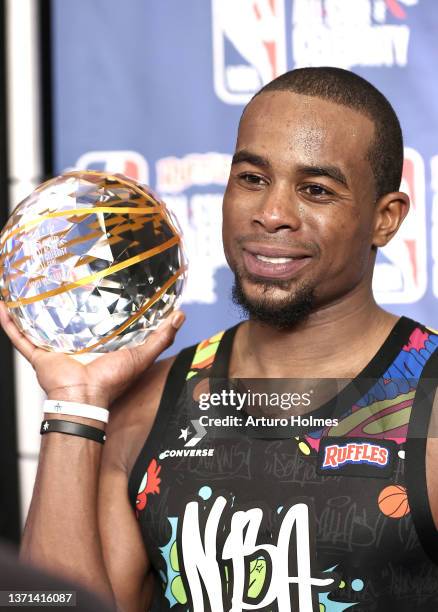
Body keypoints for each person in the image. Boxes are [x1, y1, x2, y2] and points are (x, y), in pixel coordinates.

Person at [1, 67, 438, 611]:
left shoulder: (428, 403)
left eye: (316, 190)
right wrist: (76, 404)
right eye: (252, 178)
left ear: (386, 219)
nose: (272, 214)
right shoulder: (149, 409)